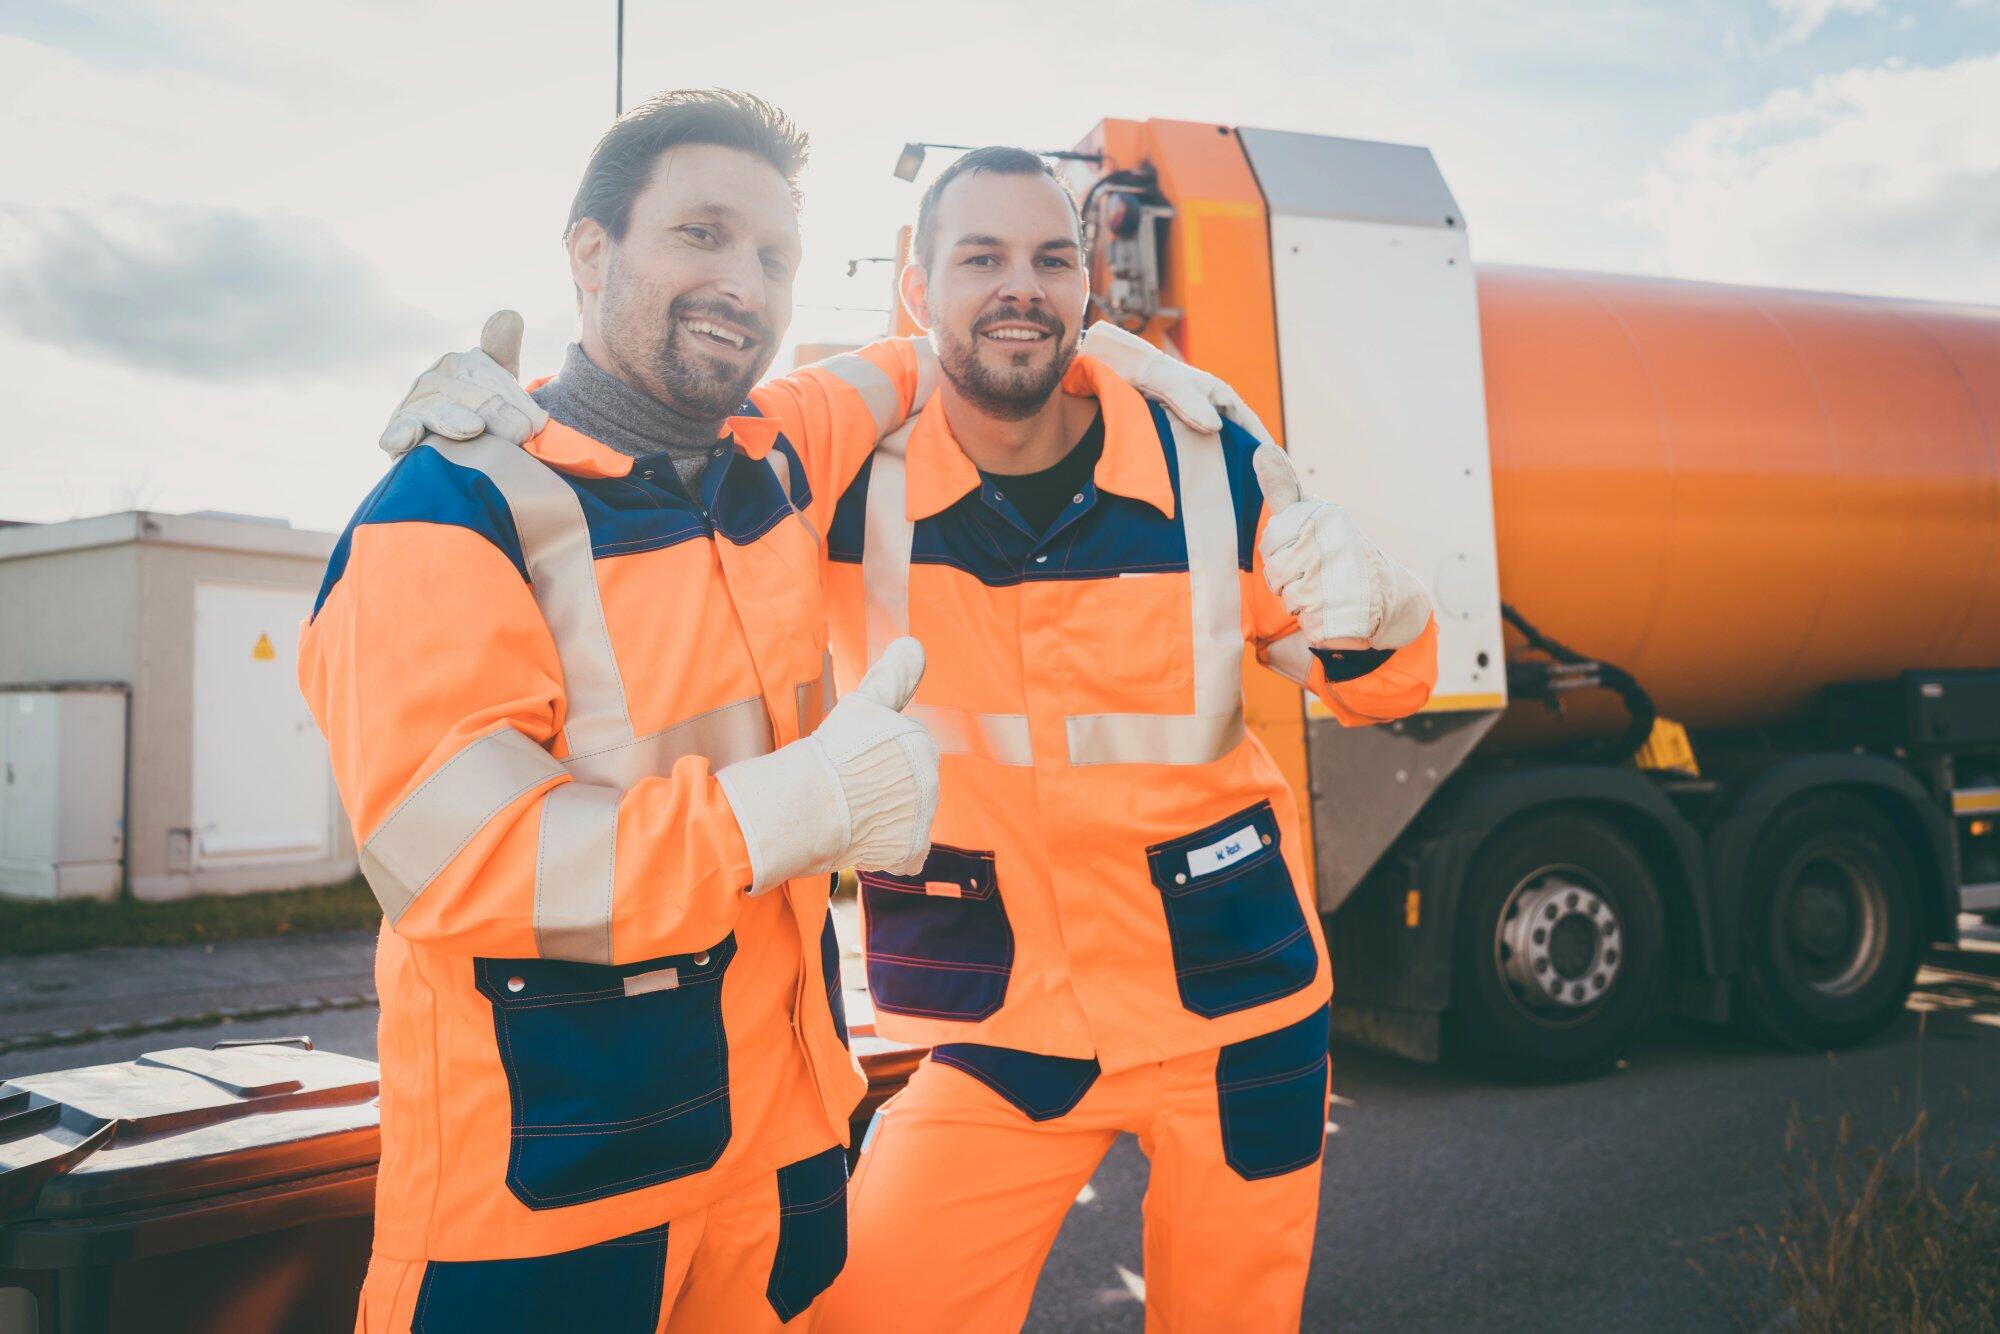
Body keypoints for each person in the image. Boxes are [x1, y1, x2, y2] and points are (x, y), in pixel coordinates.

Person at [384, 145, 1436, 1331]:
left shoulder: (1207, 457)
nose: (1020, 286)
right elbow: (656, 433)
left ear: (1087, 283)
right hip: (1003, 1023)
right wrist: (508, 434)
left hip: (1235, 1004)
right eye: (980, 258)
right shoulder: (834, 475)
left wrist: (1386, 615)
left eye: (1051, 259)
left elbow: (1372, 681)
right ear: (915, 287)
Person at [302, 89, 945, 1333]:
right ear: (590, 253)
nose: (743, 283)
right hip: (546, 1211)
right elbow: (457, 862)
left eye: (775, 257)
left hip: (779, 1169)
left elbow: (920, 358)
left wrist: (1122, 358)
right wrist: (796, 807)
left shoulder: (776, 451)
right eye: (700, 233)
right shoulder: (446, 512)